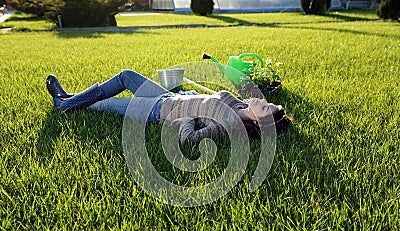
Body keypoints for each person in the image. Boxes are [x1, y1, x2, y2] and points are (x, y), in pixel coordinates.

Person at [46, 69, 291, 144]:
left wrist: (188, 119)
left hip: (157, 110)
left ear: (258, 121)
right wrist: (190, 96)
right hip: (168, 98)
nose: (261, 101)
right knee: (126, 76)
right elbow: (209, 101)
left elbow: (189, 139)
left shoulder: (228, 125)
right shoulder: (240, 104)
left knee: (103, 104)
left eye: (264, 107)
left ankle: (65, 105)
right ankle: (70, 97)